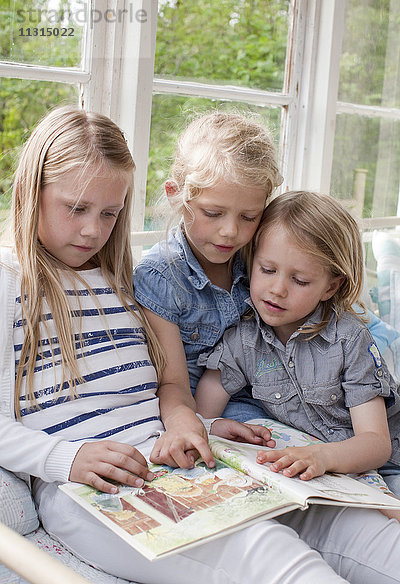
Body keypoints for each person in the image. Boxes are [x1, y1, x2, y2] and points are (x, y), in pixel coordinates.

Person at [2, 106, 400, 584]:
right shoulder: (9, 281)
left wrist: (208, 424)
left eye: (110, 213)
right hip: (93, 487)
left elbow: (168, 387)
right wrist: (64, 459)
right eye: (76, 208)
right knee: (270, 555)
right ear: (32, 192)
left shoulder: (121, 282)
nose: (93, 230)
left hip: (183, 456)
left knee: (358, 530)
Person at [195, 191, 400, 499]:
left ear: (330, 286)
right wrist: (211, 426)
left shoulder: (350, 340)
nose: (277, 290)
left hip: (387, 465)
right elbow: (202, 413)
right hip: (321, 478)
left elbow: (376, 443)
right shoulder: (243, 340)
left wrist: (323, 457)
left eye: (300, 280)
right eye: (267, 270)